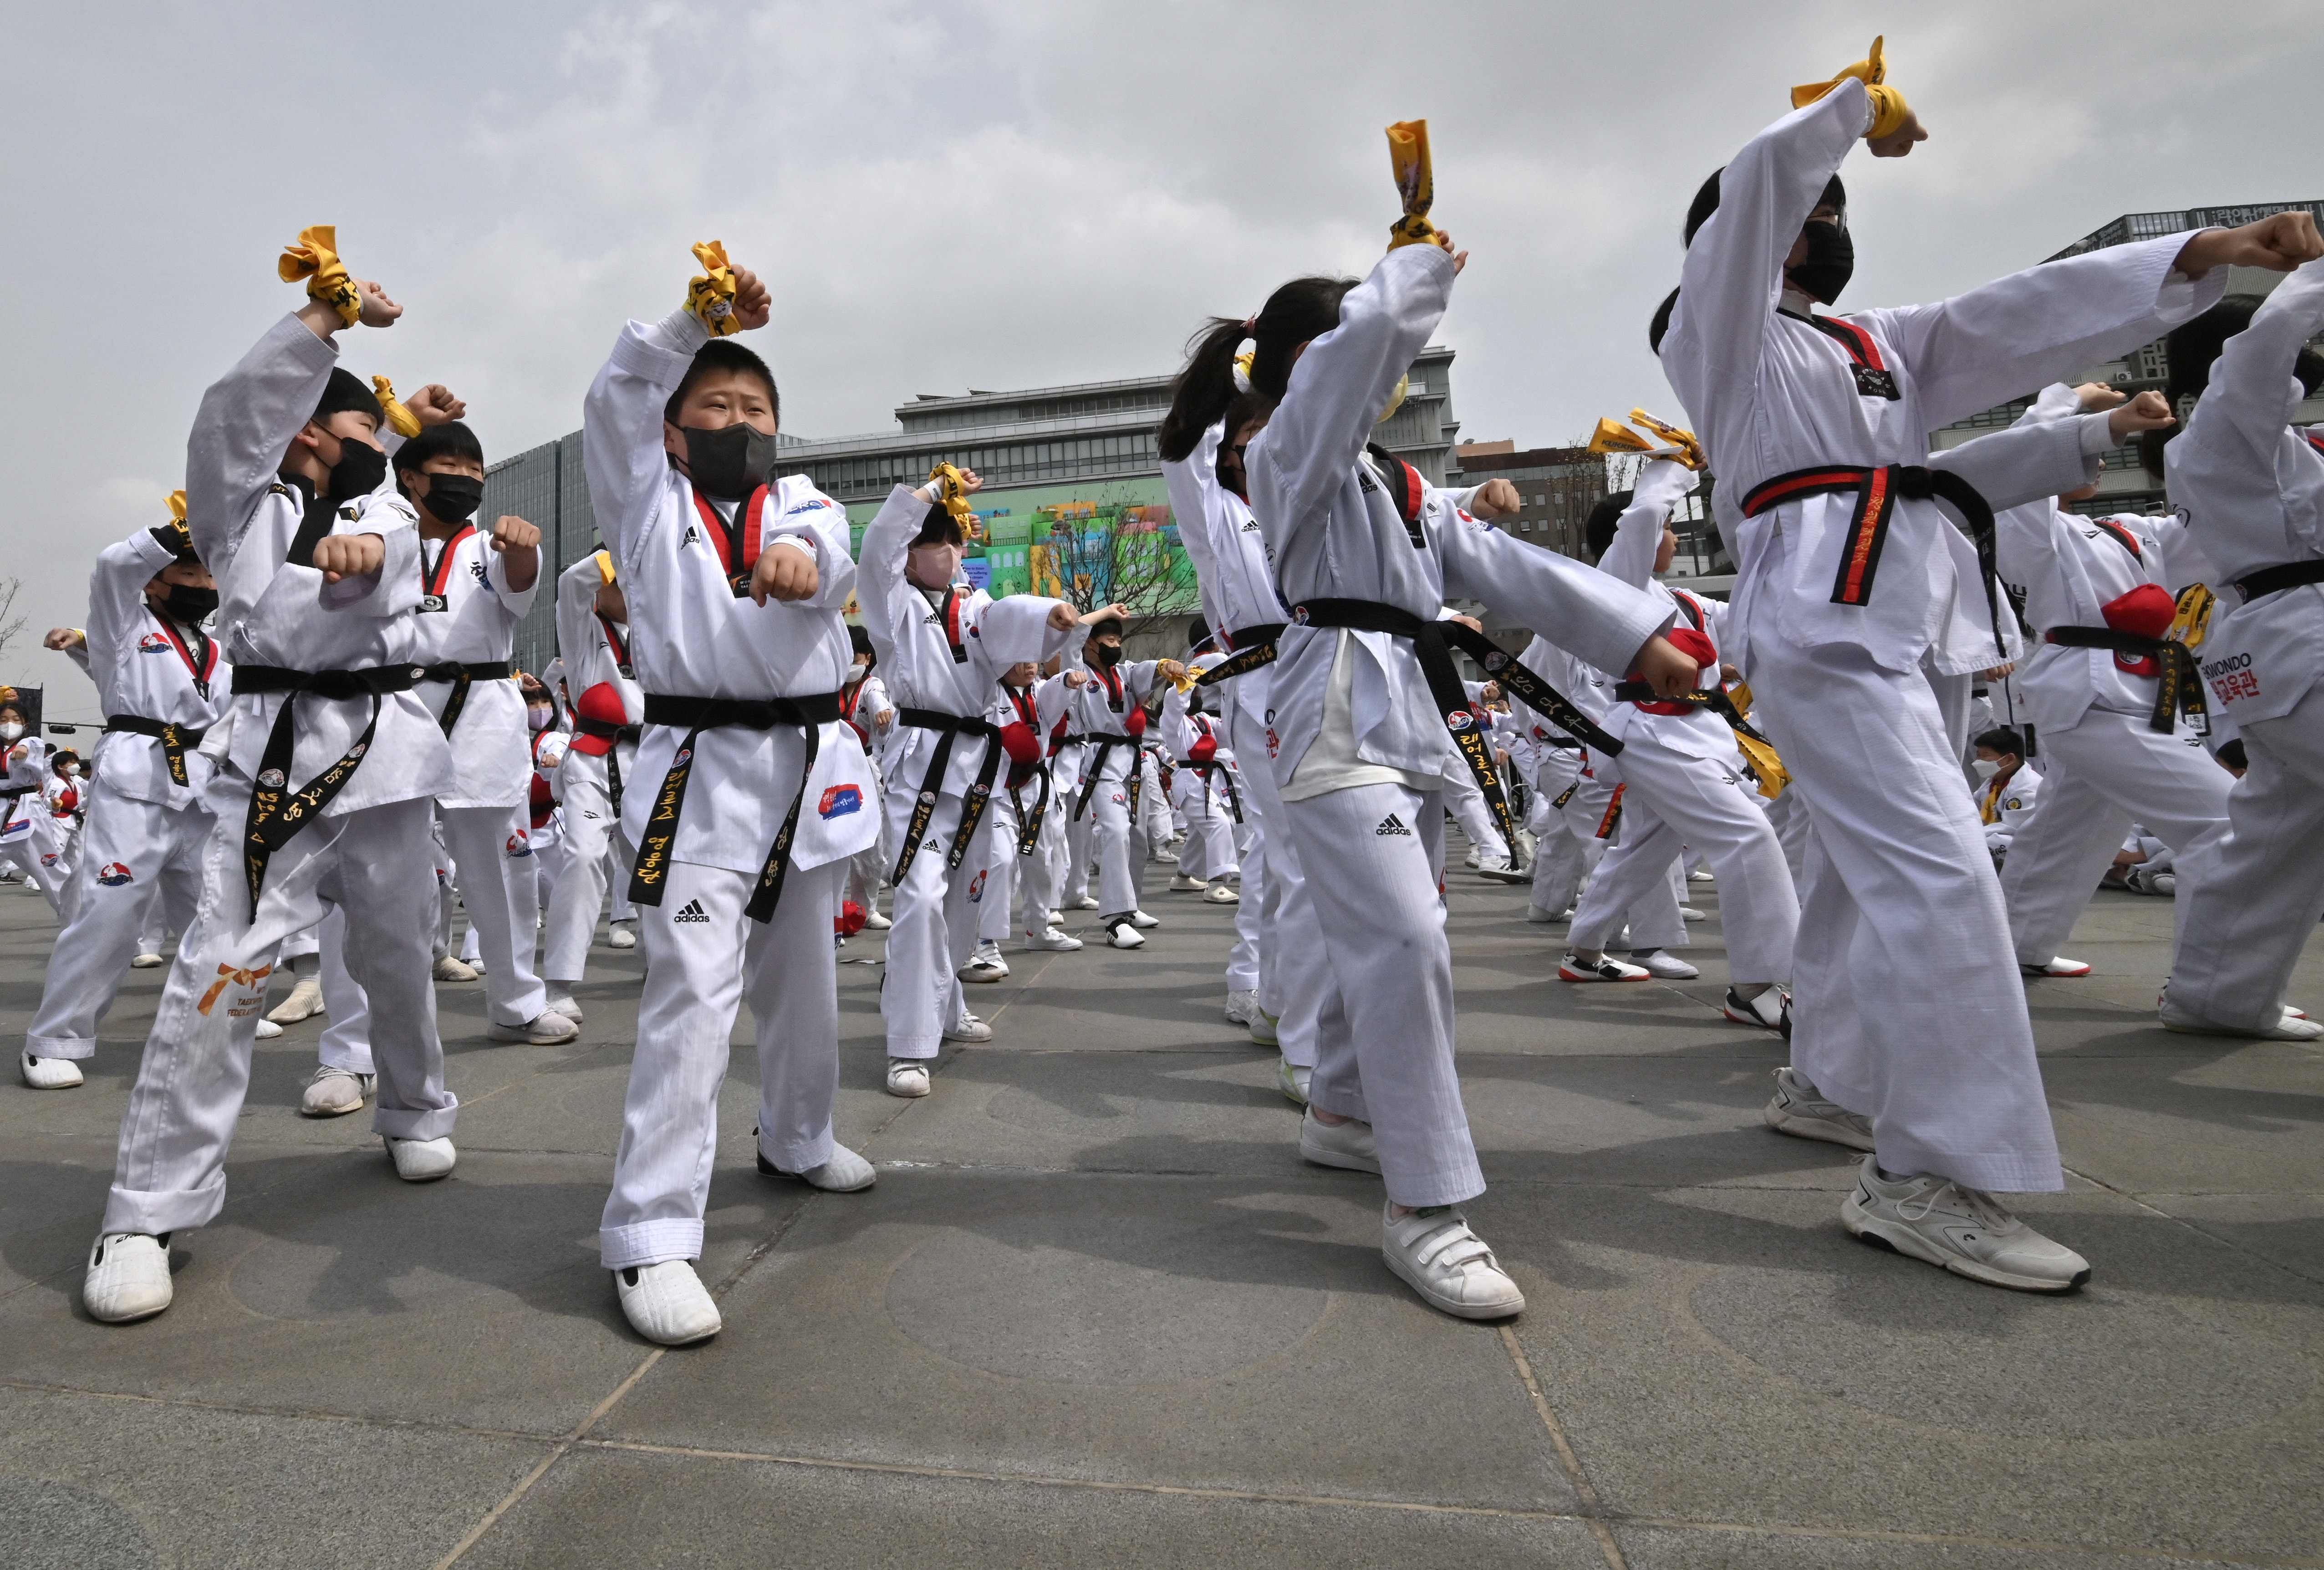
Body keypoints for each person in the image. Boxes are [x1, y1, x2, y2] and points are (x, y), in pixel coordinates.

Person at [1658, 40, 2311, 1290]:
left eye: (1839, 207)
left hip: (1912, 617)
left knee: (1862, 876)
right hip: (1824, 611)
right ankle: (1925, 1171)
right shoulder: (1721, 326)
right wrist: (1842, 116)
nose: (1830, 221)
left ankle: (1831, 1081)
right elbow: (1753, 196)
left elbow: (2008, 325)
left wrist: (2205, 258)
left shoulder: (1878, 345)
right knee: (1949, 873)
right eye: (1816, 207)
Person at [1245, 216, 1683, 1319]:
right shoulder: (1285, 450)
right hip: (1337, 709)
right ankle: (1427, 1204)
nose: (1375, 371)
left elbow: (1503, 565)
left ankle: (1343, 1112)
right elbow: (1352, 359)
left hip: (1412, 714)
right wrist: (1410, 275)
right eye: (1346, 345)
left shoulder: (1397, 487)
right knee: (1406, 932)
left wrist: (1638, 643)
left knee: (1394, 926)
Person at [83, 230, 463, 1325]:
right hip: (269, 756)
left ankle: (414, 1104)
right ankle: (146, 1207)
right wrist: (321, 323)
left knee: (396, 952)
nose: (377, 440)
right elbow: (230, 417)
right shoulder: (237, 513)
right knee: (223, 967)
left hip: (382, 753)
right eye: (361, 423)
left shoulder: (385, 506)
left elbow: (401, 543)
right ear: (307, 428)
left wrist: (373, 539)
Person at [580, 244, 885, 1345]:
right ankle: (652, 1232)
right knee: (693, 993)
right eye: (715, 401)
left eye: (757, 404)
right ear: (674, 426)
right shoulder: (645, 503)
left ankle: (798, 1136)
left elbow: (820, 549)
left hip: (803, 770)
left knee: (806, 975)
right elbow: (612, 396)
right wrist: (686, 317)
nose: (740, 417)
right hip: (700, 772)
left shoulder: (806, 502)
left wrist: (799, 558)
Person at [856, 464, 1085, 1098]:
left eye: (953, 541)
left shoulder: (975, 603)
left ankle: (946, 998)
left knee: (968, 897)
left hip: (979, 767)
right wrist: (930, 494)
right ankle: (908, 1040)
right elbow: (876, 547)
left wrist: (1052, 613)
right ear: (912, 554)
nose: (948, 552)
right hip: (922, 763)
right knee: (923, 896)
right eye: (934, 542)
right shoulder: (891, 601)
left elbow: (1010, 620)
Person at [1993, 381, 2230, 982]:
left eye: (2102, 451)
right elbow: (2019, 457)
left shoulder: (2136, 531)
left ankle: (2014, 943)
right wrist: (2063, 398)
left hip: (2143, 692)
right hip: (2090, 694)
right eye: (2084, 448)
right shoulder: (2033, 528)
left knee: (2069, 832)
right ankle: (2214, 986)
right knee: (2225, 824)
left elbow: (2220, 528)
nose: (2098, 460)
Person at [1559, 461, 1801, 1020]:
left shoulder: (1688, 603)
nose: (1671, 534)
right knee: (1749, 838)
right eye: (1668, 526)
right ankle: (1755, 988)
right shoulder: (1614, 584)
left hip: (1694, 736)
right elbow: (1643, 516)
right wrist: (1674, 469)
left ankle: (1584, 948)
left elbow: (1754, 609)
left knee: (1647, 848)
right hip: (1653, 735)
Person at [2157, 259, 2324, 1040]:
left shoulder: (2231, 450)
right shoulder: (2225, 422)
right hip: (2299, 635)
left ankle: (2215, 995)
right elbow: (2263, 347)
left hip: (2267, 643)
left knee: (2276, 843)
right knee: (2274, 837)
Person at [22, 502, 229, 1088]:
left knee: (214, 914)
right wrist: (173, 533)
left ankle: (210, 1019)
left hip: (205, 785)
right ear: (156, 578)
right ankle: (56, 1037)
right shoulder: (121, 624)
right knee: (108, 912)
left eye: (207, 575)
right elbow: (112, 566)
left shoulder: (216, 647)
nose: (200, 585)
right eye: (186, 573)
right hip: (135, 782)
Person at [393, 419, 579, 1047]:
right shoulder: (381, 538)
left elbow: (522, 586)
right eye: (450, 469)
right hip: (395, 707)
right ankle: (372, 1029)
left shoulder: (492, 546)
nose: (466, 481)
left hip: (481, 709)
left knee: (502, 867)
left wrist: (525, 548)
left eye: (476, 472)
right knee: (383, 869)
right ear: (410, 477)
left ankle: (517, 1000)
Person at [540, 548, 642, 1020]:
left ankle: (663, 963)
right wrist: (621, 549)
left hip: (652, 758)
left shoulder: (658, 627)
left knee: (655, 867)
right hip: (593, 758)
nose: (627, 591)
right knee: (582, 857)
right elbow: (569, 585)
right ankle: (558, 984)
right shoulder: (584, 629)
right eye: (619, 582)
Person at [1060, 612, 1185, 949]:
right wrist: (1108, 611)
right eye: (1109, 640)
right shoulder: (1077, 671)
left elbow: (1152, 668)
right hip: (1098, 761)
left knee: (1138, 836)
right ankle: (1115, 920)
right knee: (1115, 830)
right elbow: (1073, 633)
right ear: (1090, 643)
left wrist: (1167, 666)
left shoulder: (1124, 673)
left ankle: (1129, 907)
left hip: (1131, 761)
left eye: (1119, 640)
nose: (1116, 645)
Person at [1968, 727, 2041, 861]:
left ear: (2009, 759)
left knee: (1978, 848)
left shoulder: (2027, 788)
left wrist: (1972, 837)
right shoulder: (1994, 782)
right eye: (1978, 754)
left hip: (2027, 845)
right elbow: (1974, 809)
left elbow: (2011, 828)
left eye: (1985, 755)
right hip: (1994, 835)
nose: (1978, 760)